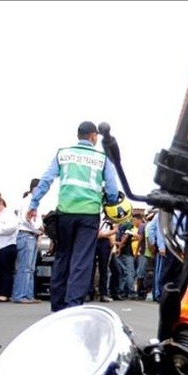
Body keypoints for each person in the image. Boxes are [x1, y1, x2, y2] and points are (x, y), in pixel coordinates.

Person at [26, 120, 120, 312]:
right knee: (82, 260)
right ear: (94, 136)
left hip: (65, 213)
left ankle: (57, 305)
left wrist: (34, 203)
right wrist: (108, 200)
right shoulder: (102, 158)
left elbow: (46, 180)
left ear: (78, 136)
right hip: (89, 214)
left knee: (62, 256)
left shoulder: (63, 153)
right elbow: (112, 189)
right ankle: (73, 306)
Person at [11, 178, 43, 304]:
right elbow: (26, 219)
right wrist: (37, 229)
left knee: (30, 268)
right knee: (24, 267)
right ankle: (20, 295)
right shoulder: (28, 201)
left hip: (32, 236)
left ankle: (29, 294)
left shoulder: (35, 201)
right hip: (26, 235)